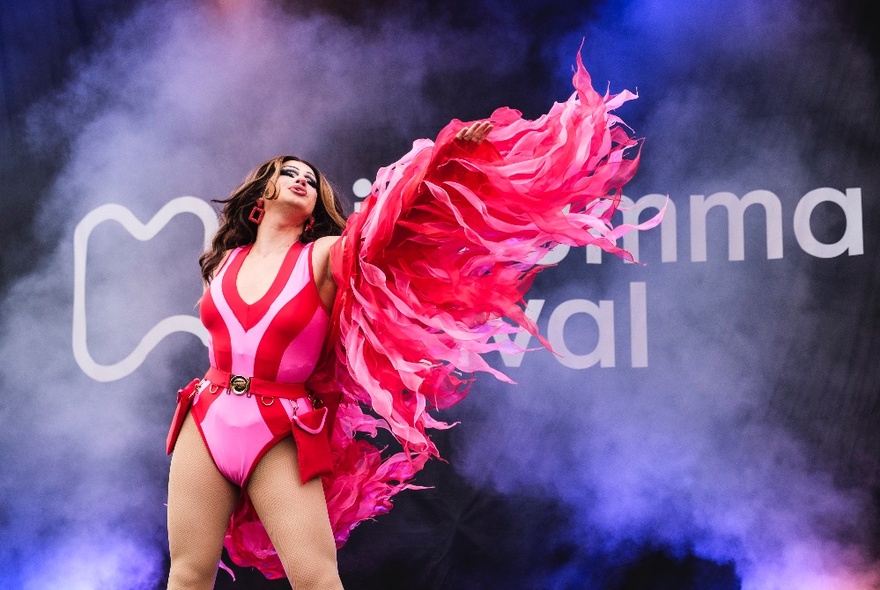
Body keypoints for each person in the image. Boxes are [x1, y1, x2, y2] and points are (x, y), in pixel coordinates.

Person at [166, 124, 494, 589]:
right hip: (206, 417)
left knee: (317, 579)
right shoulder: (223, 260)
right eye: (288, 173)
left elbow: (384, 229)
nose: (302, 179)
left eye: (310, 180)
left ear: (316, 208)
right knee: (187, 575)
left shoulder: (321, 256)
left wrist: (440, 162)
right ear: (260, 198)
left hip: (278, 427)